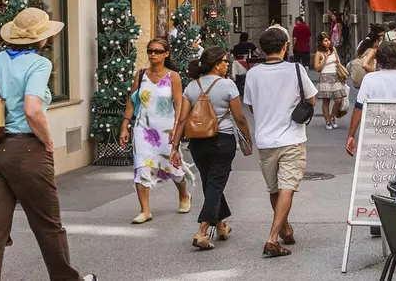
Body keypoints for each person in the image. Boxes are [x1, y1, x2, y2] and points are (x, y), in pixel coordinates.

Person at [0, 7, 96, 281]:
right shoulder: (39, 64)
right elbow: (32, 108)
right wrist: (48, 141)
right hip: (25, 149)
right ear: (41, 39)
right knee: (47, 224)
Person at [242, 27, 319, 258]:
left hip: (265, 139)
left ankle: (285, 228)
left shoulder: (253, 74)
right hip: (292, 137)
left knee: (275, 188)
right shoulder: (295, 69)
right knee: (287, 187)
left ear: (263, 48)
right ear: (285, 46)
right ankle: (273, 238)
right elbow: (312, 100)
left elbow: (252, 106)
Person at [170, 47, 254, 251]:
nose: (227, 64)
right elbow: (240, 117)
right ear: (217, 64)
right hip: (222, 140)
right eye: (225, 61)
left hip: (198, 142)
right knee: (215, 185)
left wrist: (174, 147)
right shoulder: (227, 85)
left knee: (211, 183)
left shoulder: (192, 86)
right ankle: (202, 231)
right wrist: (248, 141)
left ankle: (221, 226)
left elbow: (182, 119)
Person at [119, 36, 190, 223]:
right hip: (143, 128)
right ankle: (145, 210)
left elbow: (179, 104)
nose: (152, 54)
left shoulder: (173, 77)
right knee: (141, 165)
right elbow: (132, 102)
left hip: (167, 129)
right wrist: (125, 126)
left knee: (174, 167)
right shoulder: (140, 75)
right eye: (150, 50)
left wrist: (177, 128)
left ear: (166, 54)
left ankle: (184, 195)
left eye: (157, 51)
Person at [346, 42, 396, 157]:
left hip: (374, 133)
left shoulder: (369, 79)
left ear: (379, 59)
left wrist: (351, 135)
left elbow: (359, 108)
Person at [312, 33, 347, 130]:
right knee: (326, 101)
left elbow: (338, 63)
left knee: (338, 99)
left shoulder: (333, 50)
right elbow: (316, 68)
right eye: (325, 41)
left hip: (335, 76)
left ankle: (332, 117)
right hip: (325, 77)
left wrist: (342, 76)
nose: (328, 43)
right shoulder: (319, 53)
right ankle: (327, 121)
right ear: (321, 42)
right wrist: (324, 60)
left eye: (328, 40)